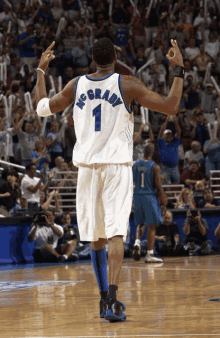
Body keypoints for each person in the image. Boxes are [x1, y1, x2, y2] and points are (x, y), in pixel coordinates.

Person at [35, 38, 184, 322]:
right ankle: (114, 301)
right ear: (115, 58)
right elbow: (171, 106)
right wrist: (179, 71)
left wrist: (41, 71)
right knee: (116, 234)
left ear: (91, 60)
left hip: (87, 170)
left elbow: (41, 106)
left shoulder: (74, 85)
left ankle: (103, 300)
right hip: (115, 167)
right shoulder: (127, 84)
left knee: (96, 240)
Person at [132, 142, 166, 263]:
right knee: (151, 226)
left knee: (140, 224)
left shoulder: (135, 164)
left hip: (137, 196)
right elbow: (158, 185)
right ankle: (150, 254)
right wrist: (163, 202)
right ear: (153, 152)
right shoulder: (154, 166)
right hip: (149, 196)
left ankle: (137, 243)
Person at [157, 116, 181, 183]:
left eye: (170, 135)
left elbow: (178, 132)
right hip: (165, 168)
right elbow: (161, 132)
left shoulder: (175, 143)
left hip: (175, 168)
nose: (168, 136)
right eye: (166, 135)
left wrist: (175, 121)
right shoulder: (161, 143)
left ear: (172, 136)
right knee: (164, 185)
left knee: (176, 186)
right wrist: (166, 121)